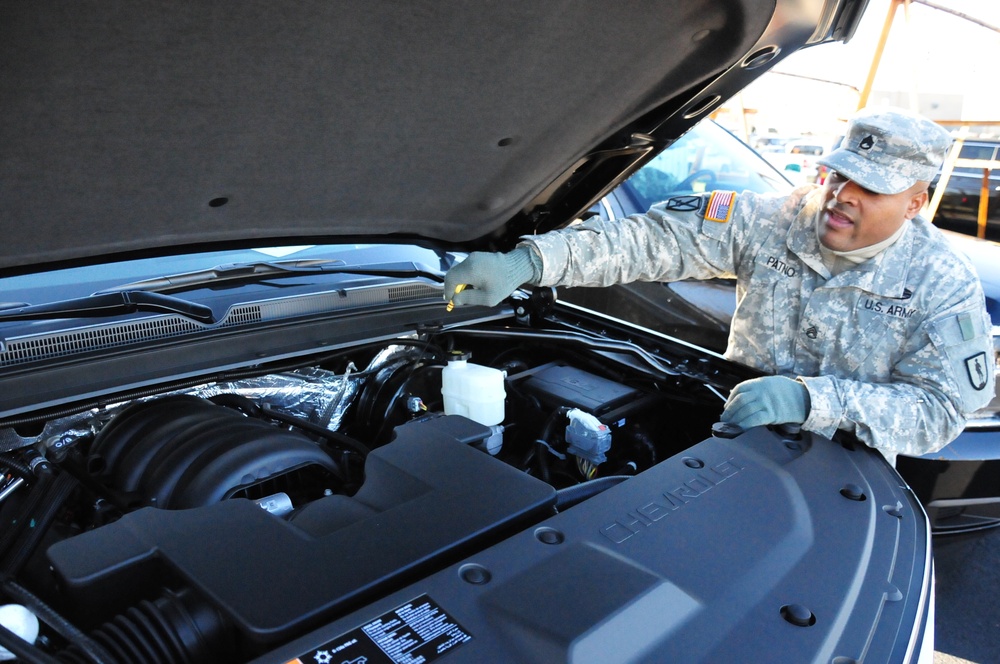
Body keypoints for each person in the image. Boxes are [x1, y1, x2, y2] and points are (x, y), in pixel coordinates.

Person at [443, 107, 996, 462]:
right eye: (842, 174)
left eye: (872, 188)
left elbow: (941, 412)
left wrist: (812, 401)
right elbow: (649, 240)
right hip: (731, 441)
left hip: (840, 476)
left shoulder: (941, 284)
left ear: (916, 202)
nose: (843, 194)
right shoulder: (772, 220)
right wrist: (530, 263)